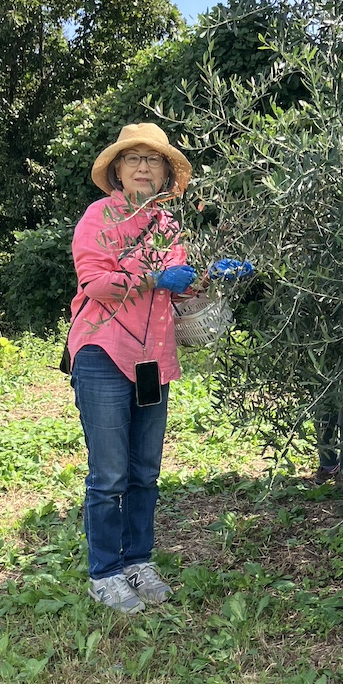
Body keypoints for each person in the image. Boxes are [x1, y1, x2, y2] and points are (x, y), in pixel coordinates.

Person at [67, 122, 248, 614]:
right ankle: (105, 573)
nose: (144, 167)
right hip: (103, 353)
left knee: (145, 472)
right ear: (118, 170)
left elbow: (179, 289)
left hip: (153, 358)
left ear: (167, 173)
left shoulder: (168, 226)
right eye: (134, 158)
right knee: (109, 474)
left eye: (153, 159)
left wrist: (212, 277)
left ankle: (138, 562)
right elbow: (95, 282)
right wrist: (153, 277)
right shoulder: (98, 217)